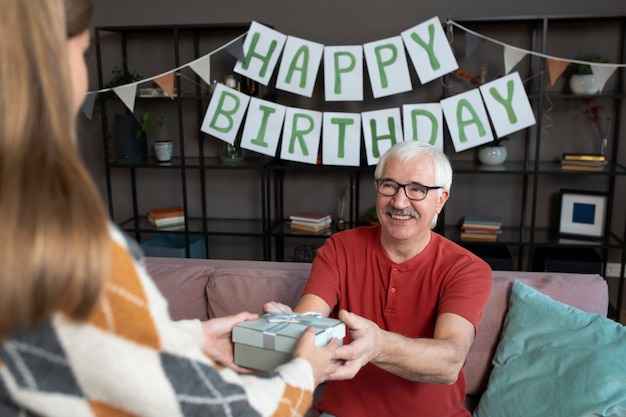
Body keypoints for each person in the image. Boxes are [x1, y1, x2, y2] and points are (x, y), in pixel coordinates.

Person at [0, 0, 339, 416]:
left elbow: (88, 350)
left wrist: (192, 339)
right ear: (47, 61)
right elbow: (214, 409)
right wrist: (304, 373)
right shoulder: (62, 242)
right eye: (83, 51)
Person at [266, 141, 492, 417]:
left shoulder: (467, 269)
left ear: (441, 199)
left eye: (416, 190)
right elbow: (309, 320)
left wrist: (378, 345)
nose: (399, 201)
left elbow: (449, 363)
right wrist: (288, 327)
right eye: (389, 185)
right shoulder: (340, 248)